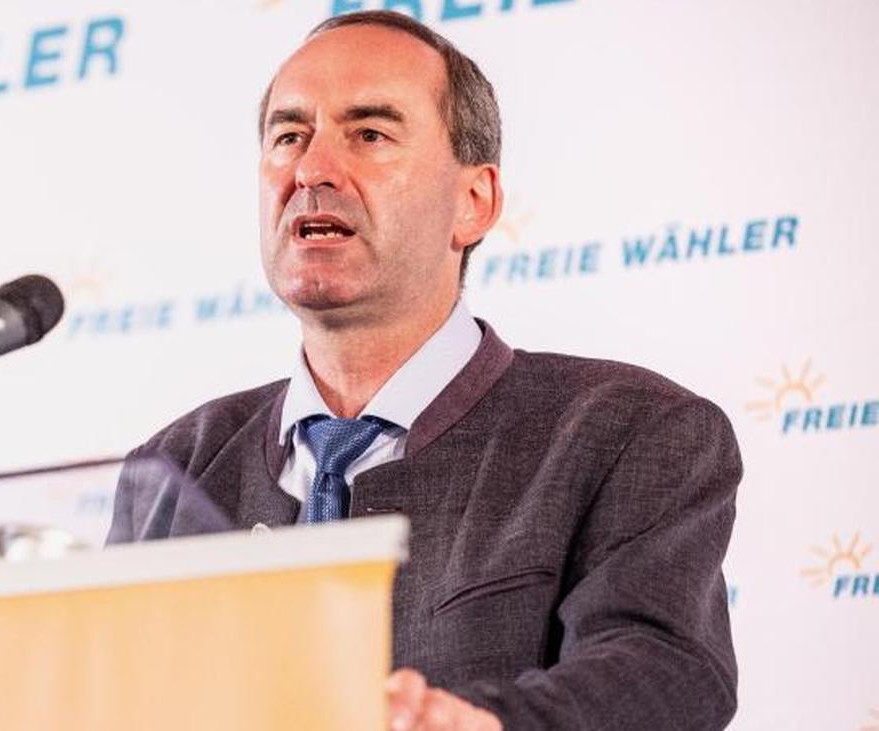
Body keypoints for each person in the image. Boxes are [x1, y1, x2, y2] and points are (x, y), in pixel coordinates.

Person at [107, 10, 740, 731]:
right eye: (289, 137)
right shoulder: (175, 468)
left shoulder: (626, 430)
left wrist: (476, 722)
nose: (312, 170)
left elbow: (663, 668)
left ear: (474, 203)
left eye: (369, 134)